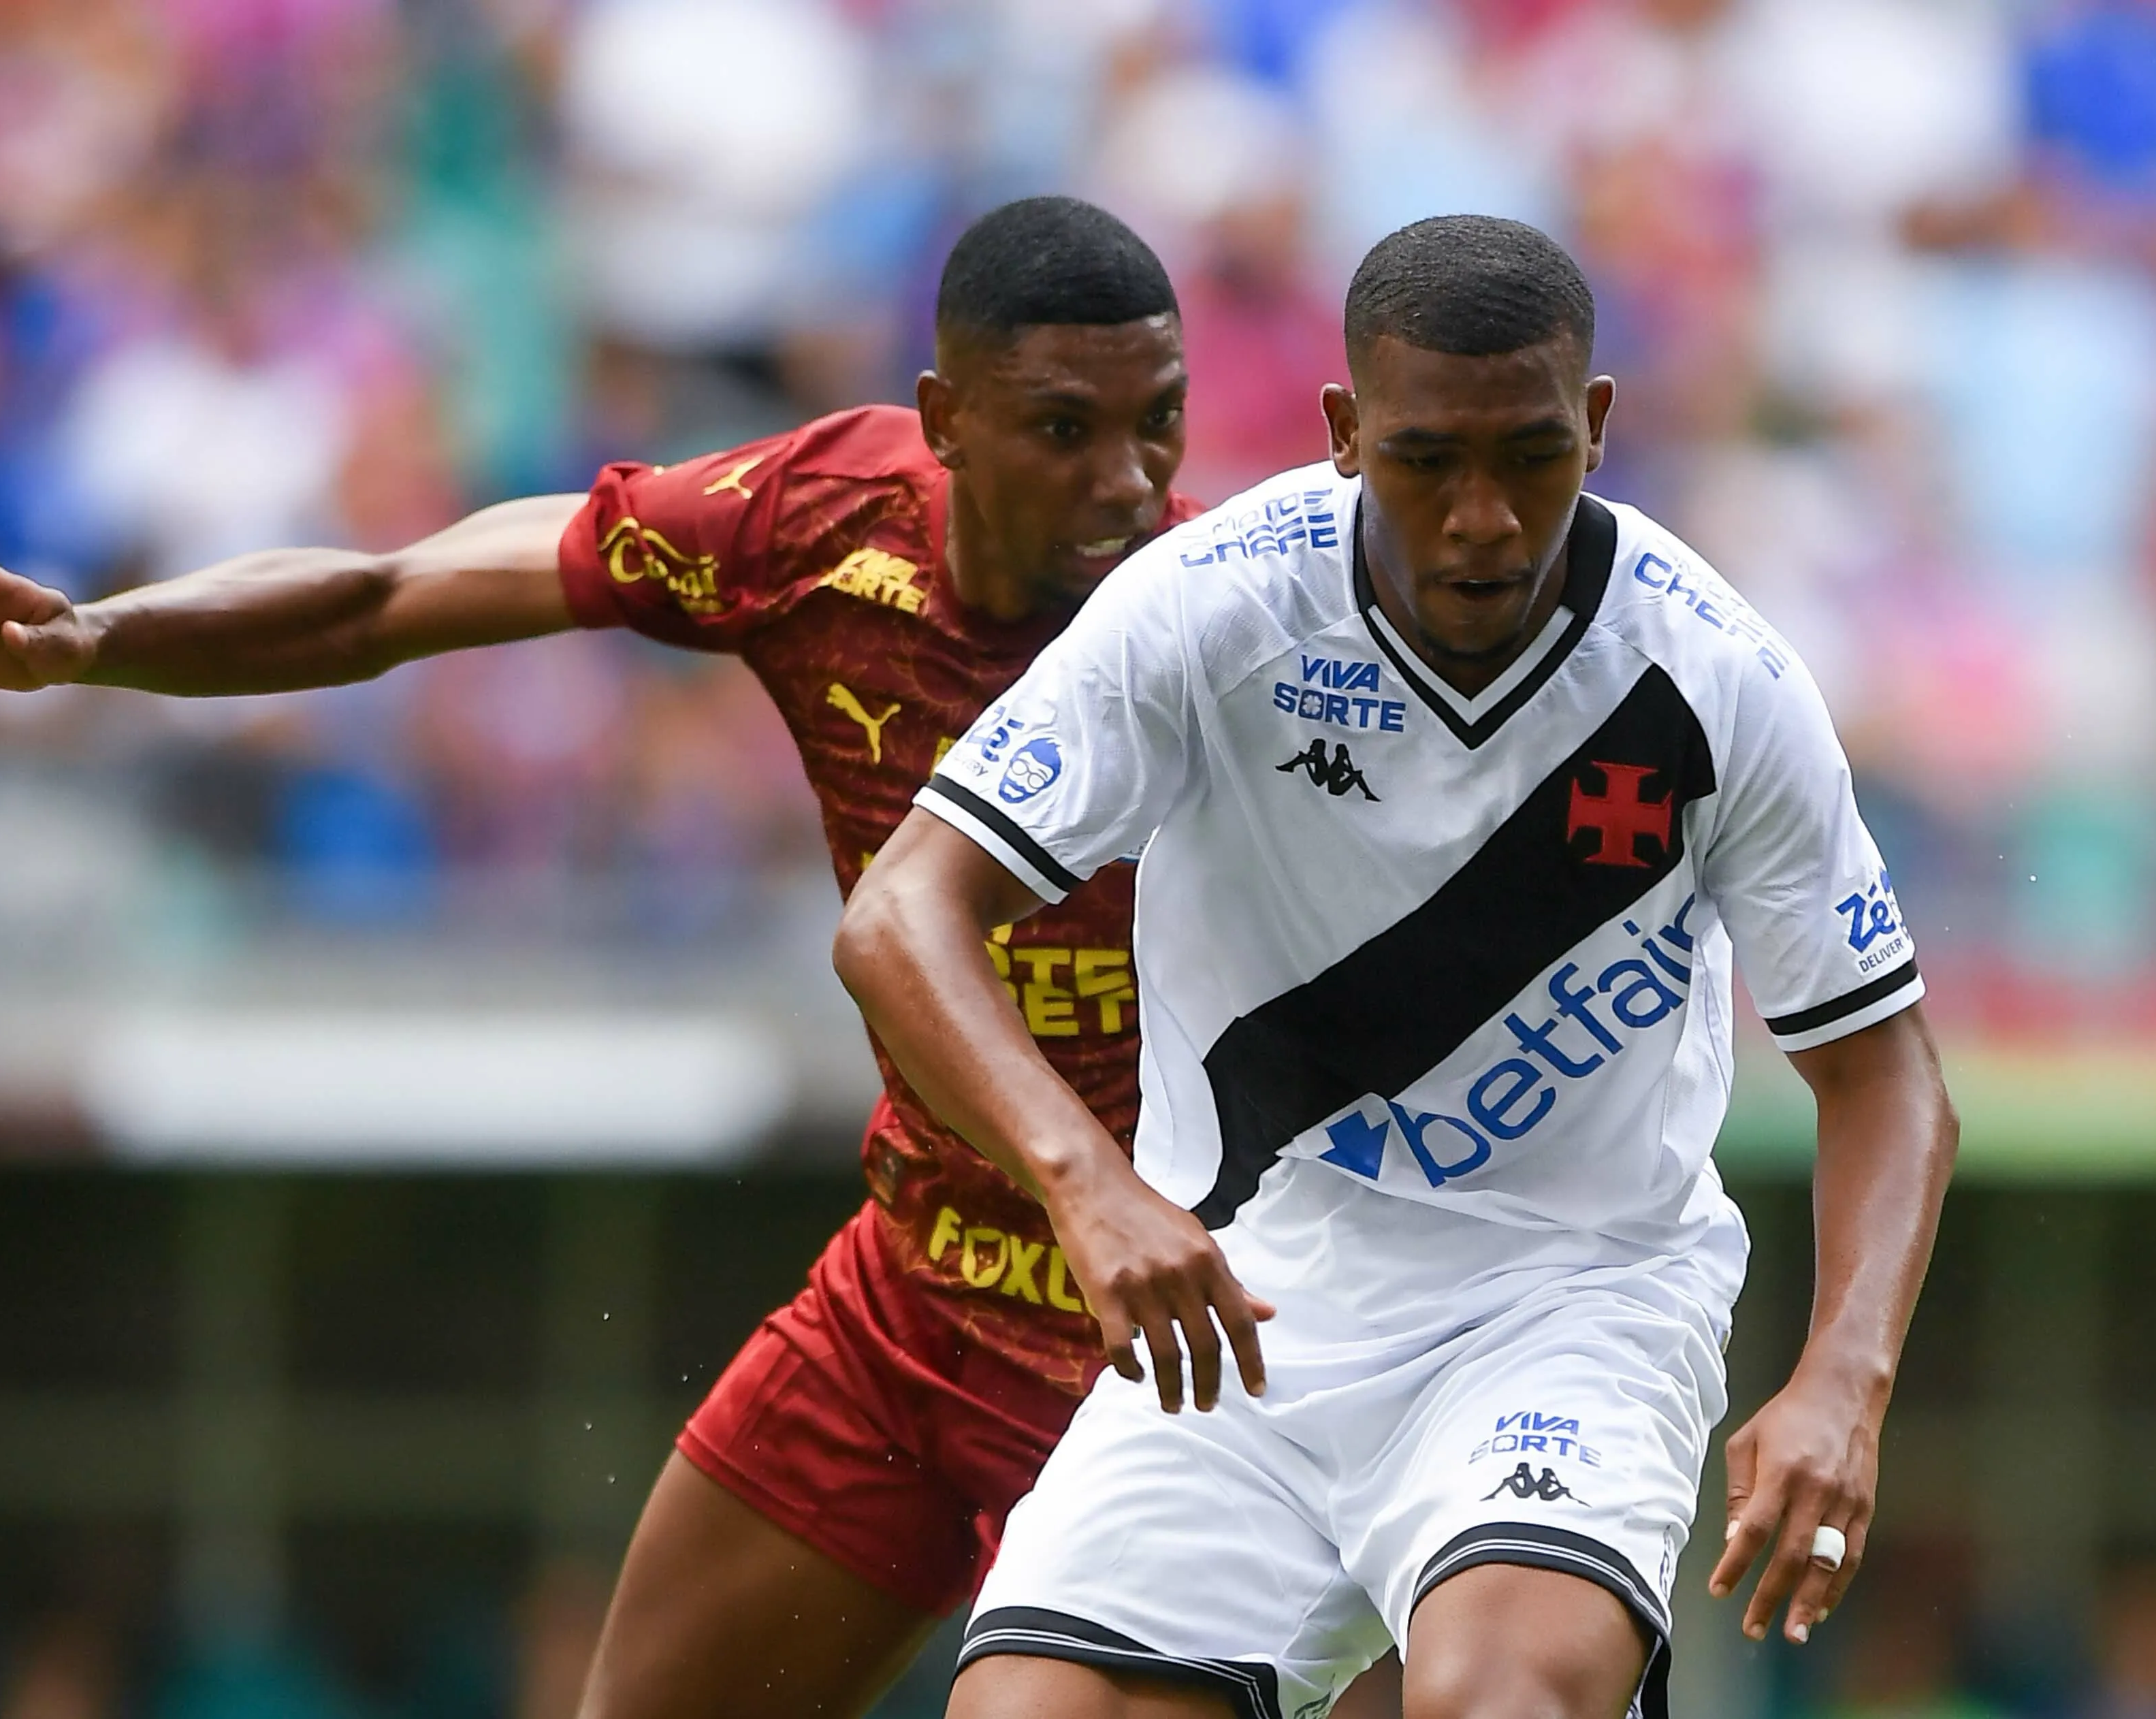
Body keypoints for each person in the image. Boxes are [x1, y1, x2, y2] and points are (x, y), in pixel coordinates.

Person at [0, 196, 1396, 1719]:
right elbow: (393, 594)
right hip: (911, 1307)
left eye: (1158, 424)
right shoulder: (813, 528)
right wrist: (94, 640)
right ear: (944, 419)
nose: (1126, 483)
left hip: (1163, 1355)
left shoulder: (1240, 633)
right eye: (1064, 428)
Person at [838, 212, 1960, 1719]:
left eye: (1530, 455)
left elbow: (1883, 1070)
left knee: (1501, 1698)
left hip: (1567, 1297)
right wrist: (1086, 1183)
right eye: (1429, 460)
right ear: (1345, 431)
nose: (1484, 516)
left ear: (1600, 427)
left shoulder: (1712, 674)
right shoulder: (1208, 605)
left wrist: (1843, 1375)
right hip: (1244, 1312)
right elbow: (899, 914)